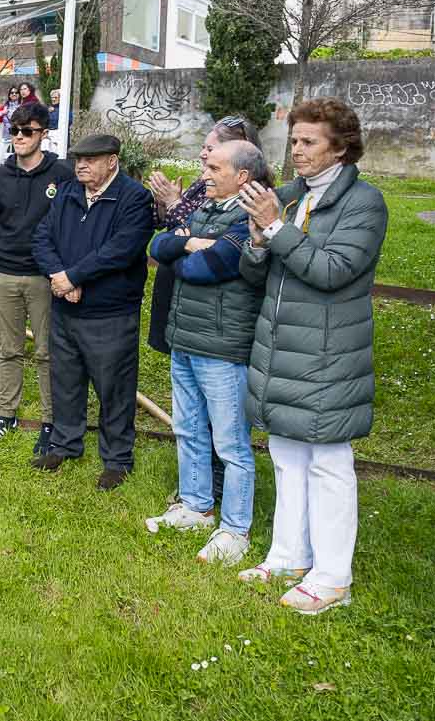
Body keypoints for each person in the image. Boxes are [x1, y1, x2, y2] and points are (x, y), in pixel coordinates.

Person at [236, 97, 386, 614]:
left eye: (308, 142)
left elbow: (331, 272)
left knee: (328, 462)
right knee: (286, 453)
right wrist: (257, 242)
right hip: (282, 346)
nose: (295, 151)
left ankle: (332, 577)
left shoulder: (363, 203)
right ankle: (288, 555)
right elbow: (259, 274)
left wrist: (276, 230)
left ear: (341, 147)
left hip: (327, 352)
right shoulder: (290, 196)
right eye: (293, 140)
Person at [145, 139, 270, 565]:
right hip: (185, 338)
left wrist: (186, 245)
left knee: (232, 443)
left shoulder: (247, 217)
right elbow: (157, 248)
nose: (204, 173)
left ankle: (236, 530)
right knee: (189, 428)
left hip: (222, 345)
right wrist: (187, 242)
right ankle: (196, 506)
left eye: (214, 167)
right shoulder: (204, 208)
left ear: (242, 177)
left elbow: (210, 267)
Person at [30, 133, 154, 490]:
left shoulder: (133, 197)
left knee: (114, 388)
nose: (80, 165)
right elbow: (42, 237)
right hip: (66, 308)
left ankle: (117, 459)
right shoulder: (69, 192)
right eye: (77, 159)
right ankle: (66, 445)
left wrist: (74, 276)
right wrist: (58, 276)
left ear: (112, 161)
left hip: (110, 313)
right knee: (65, 382)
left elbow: (121, 250)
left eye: (90, 159)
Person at [0, 102, 76, 453]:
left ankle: (51, 421)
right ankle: (7, 415)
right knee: (9, 350)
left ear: (43, 134)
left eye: (27, 131)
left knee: (48, 352)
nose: (19, 137)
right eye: (14, 131)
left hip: (44, 278)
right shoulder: (0, 175)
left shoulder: (61, 174)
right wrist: (4, 248)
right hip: (4, 273)